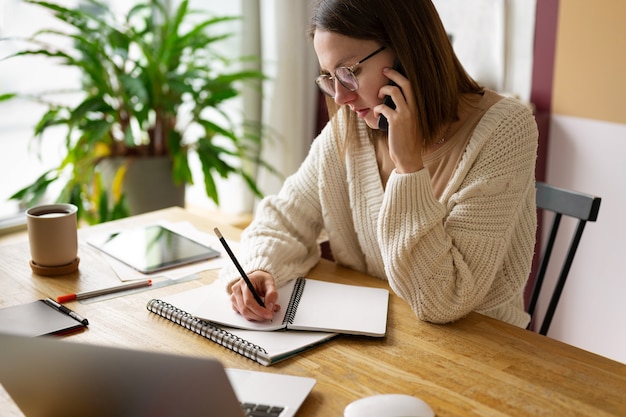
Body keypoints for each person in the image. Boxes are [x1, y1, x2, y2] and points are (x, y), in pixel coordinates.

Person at [219, 0, 538, 328]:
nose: (340, 97)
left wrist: (409, 167)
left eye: (350, 72)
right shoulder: (352, 126)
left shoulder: (506, 129)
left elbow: (444, 299)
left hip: (483, 347)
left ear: (406, 50)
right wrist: (260, 268)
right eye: (330, 77)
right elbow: (283, 220)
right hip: (384, 337)